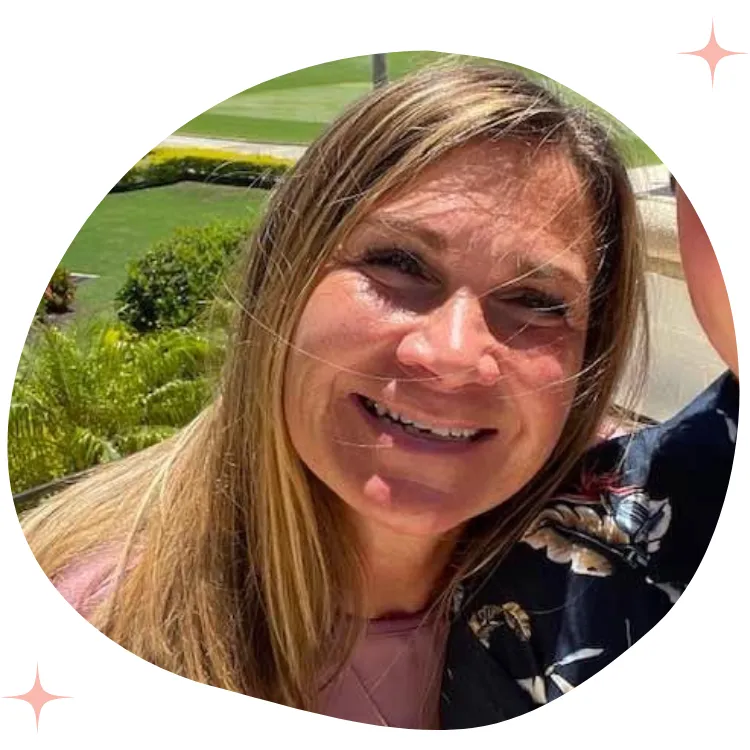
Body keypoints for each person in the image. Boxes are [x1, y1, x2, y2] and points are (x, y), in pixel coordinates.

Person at [21, 63, 737, 729]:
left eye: (537, 301)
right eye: (398, 263)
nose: (452, 355)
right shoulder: (95, 621)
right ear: (285, 279)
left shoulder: (631, 535)